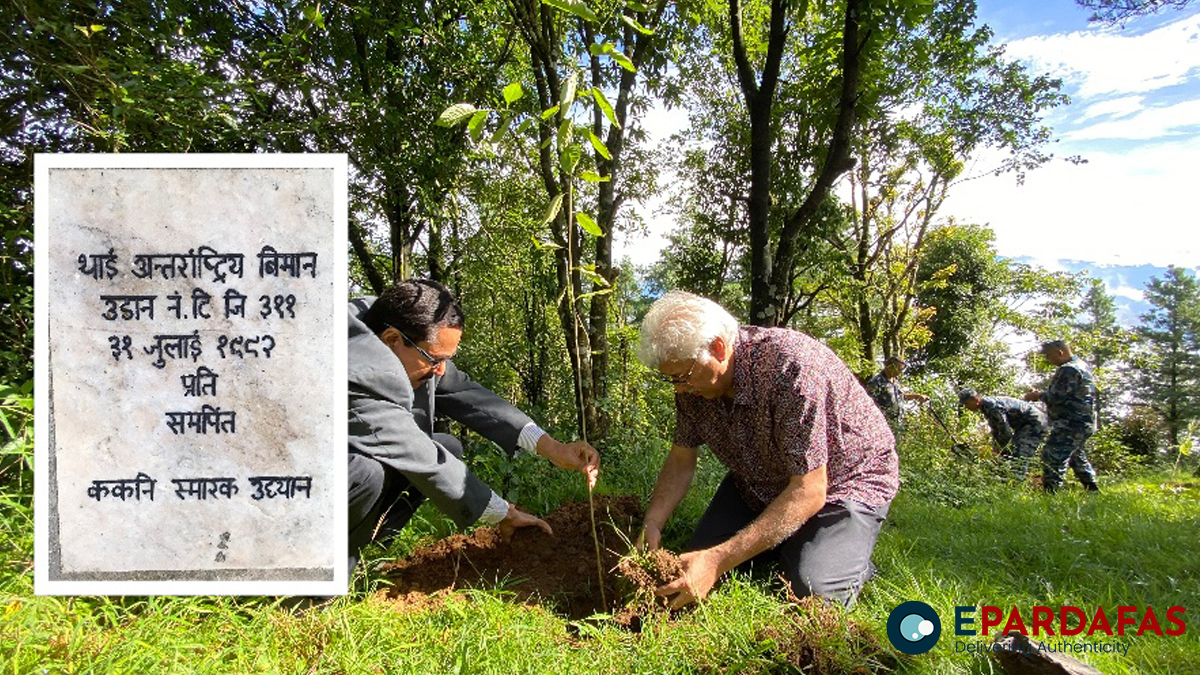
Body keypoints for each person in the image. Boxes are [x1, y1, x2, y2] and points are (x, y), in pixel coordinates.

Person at [635, 291, 898, 608]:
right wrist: (653, 522)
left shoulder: (791, 368)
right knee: (696, 561)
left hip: (844, 481)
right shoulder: (692, 382)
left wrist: (719, 559)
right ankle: (788, 541)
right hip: (758, 478)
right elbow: (681, 458)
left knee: (810, 590)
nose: (680, 388)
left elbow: (809, 489)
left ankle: (847, 560)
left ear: (718, 348)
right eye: (671, 380)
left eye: (684, 376)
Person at [348, 279, 600, 568]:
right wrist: (503, 512)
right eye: (434, 360)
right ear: (392, 340)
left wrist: (553, 448)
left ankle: (368, 556)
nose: (441, 370)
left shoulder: (392, 332)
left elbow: (468, 395)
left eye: (446, 360)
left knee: (447, 445)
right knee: (366, 472)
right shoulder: (352, 368)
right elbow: (417, 453)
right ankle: (311, 587)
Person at [1024, 340, 1100, 493]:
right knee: (1076, 455)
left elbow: (1057, 397)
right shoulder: (1082, 365)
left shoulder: (1069, 370)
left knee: (1052, 455)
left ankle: (1051, 495)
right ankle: (1092, 489)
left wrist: (1037, 395)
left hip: (1071, 423)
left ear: (1060, 352)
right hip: (1083, 422)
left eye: (1049, 356)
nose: (1048, 360)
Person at [958, 388, 1049, 481]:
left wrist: (1002, 449)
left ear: (975, 400)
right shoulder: (985, 407)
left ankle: (1016, 483)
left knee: (1020, 453)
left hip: (1034, 423)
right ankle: (1007, 478)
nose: (966, 407)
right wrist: (996, 447)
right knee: (1011, 450)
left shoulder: (992, 406)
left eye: (967, 404)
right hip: (1025, 425)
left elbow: (1005, 431)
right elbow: (996, 430)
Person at [865, 356, 928, 434]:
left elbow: (901, 396)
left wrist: (917, 396)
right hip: (882, 426)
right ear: (889, 367)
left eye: (901, 370)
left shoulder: (896, 381)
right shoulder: (876, 382)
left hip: (897, 425)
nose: (900, 372)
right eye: (898, 369)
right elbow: (867, 403)